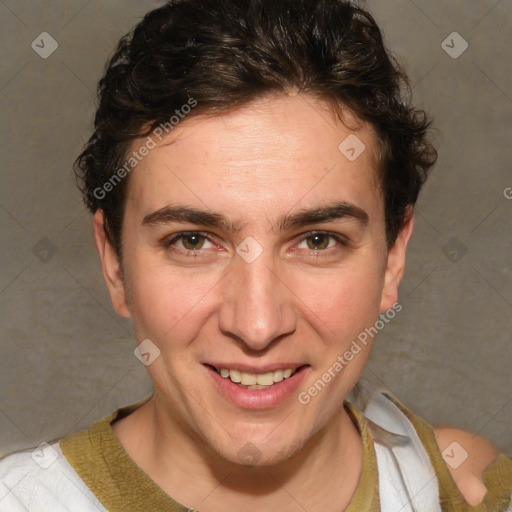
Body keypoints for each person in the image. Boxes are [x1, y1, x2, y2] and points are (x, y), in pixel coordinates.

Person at [1, 0, 511, 510]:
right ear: (114, 264)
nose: (258, 324)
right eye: (193, 241)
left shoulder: (469, 490)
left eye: (317, 240)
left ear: (393, 258)